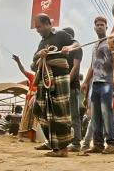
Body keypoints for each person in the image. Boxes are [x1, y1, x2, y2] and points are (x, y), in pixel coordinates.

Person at [31, 13, 79, 157]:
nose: (37, 30)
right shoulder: (41, 42)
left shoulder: (61, 35)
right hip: (45, 79)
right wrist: (40, 54)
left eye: (38, 26)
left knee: (61, 113)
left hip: (60, 76)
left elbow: (77, 44)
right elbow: (34, 61)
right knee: (40, 110)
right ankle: (54, 144)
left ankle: (62, 149)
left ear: (47, 23)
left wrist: (69, 48)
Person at [82, 16, 114, 155]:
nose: (99, 27)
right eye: (97, 25)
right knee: (96, 115)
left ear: (106, 27)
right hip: (95, 83)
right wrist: (86, 81)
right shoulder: (94, 45)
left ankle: (111, 144)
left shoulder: (111, 42)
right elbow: (92, 66)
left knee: (106, 112)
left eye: (102, 25)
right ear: (94, 27)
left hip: (106, 83)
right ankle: (98, 144)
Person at [62, 27, 84, 152]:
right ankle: (65, 141)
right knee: (63, 117)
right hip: (63, 86)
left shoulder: (76, 48)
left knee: (74, 115)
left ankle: (76, 143)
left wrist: (66, 82)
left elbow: (75, 67)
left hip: (72, 86)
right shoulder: (63, 49)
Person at [12, 55, 37, 140]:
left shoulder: (45, 79)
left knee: (34, 121)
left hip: (37, 102)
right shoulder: (32, 77)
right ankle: (23, 135)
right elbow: (23, 70)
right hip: (28, 101)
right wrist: (18, 61)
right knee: (25, 119)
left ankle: (32, 136)